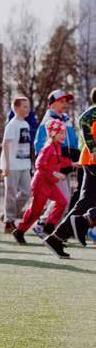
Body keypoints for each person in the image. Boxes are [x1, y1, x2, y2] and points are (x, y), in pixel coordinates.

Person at [43, 88, 96, 258]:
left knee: (84, 202)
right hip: (93, 160)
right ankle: (84, 220)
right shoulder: (93, 112)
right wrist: (93, 148)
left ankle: (57, 238)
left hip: (90, 161)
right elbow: (84, 119)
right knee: (85, 204)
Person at [12, 119, 71, 245]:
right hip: (40, 184)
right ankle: (19, 231)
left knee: (62, 202)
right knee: (35, 211)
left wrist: (74, 163)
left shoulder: (58, 147)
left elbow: (59, 162)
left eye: (64, 133)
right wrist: (55, 173)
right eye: (61, 133)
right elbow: (39, 165)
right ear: (53, 134)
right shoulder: (48, 147)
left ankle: (49, 227)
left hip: (50, 183)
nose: (63, 136)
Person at [33, 90, 79, 227]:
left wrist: (75, 155)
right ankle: (45, 224)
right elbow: (40, 144)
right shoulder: (48, 121)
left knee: (62, 198)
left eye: (66, 101)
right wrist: (50, 165)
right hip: (54, 166)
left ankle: (45, 222)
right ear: (51, 104)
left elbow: (72, 140)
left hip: (65, 162)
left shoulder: (65, 119)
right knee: (63, 198)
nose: (64, 104)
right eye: (61, 101)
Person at [0, 96, 33, 234]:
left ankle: (9, 214)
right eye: (25, 106)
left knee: (26, 193)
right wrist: (6, 165)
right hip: (12, 165)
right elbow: (6, 145)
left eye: (28, 106)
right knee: (11, 194)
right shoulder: (11, 125)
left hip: (25, 164)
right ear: (17, 108)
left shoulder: (26, 124)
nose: (28, 109)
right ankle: (9, 222)